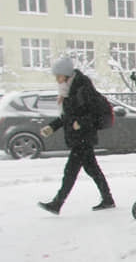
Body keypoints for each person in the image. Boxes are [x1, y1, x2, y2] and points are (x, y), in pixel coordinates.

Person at [38, 57, 115, 214]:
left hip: (83, 137)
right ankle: (108, 199)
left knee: (70, 171)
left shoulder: (82, 88)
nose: (57, 79)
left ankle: (57, 203)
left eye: (58, 76)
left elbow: (93, 112)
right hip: (78, 137)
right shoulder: (69, 88)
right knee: (93, 170)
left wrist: (81, 122)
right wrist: (52, 127)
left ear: (66, 74)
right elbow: (68, 116)